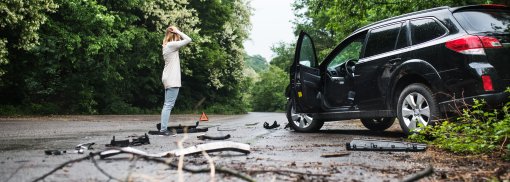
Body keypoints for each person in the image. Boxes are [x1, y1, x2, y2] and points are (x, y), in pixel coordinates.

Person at [157, 26, 192, 136]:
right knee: (168, 105)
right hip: (172, 78)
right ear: (174, 34)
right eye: (176, 34)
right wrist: (178, 31)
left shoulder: (166, 46)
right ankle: (163, 129)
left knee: (167, 104)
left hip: (167, 77)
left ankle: (163, 127)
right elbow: (188, 39)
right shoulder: (171, 45)